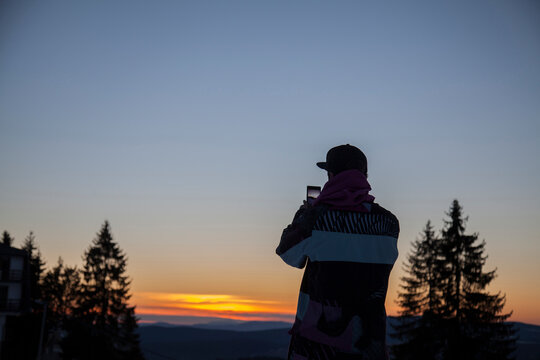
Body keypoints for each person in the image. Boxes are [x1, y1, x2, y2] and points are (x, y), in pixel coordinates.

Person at [276, 144, 399, 360]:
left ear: (331, 176)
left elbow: (287, 253)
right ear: (364, 176)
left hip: (320, 344)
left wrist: (303, 214)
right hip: (369, 343)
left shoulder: (317, 219)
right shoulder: (389, 223)